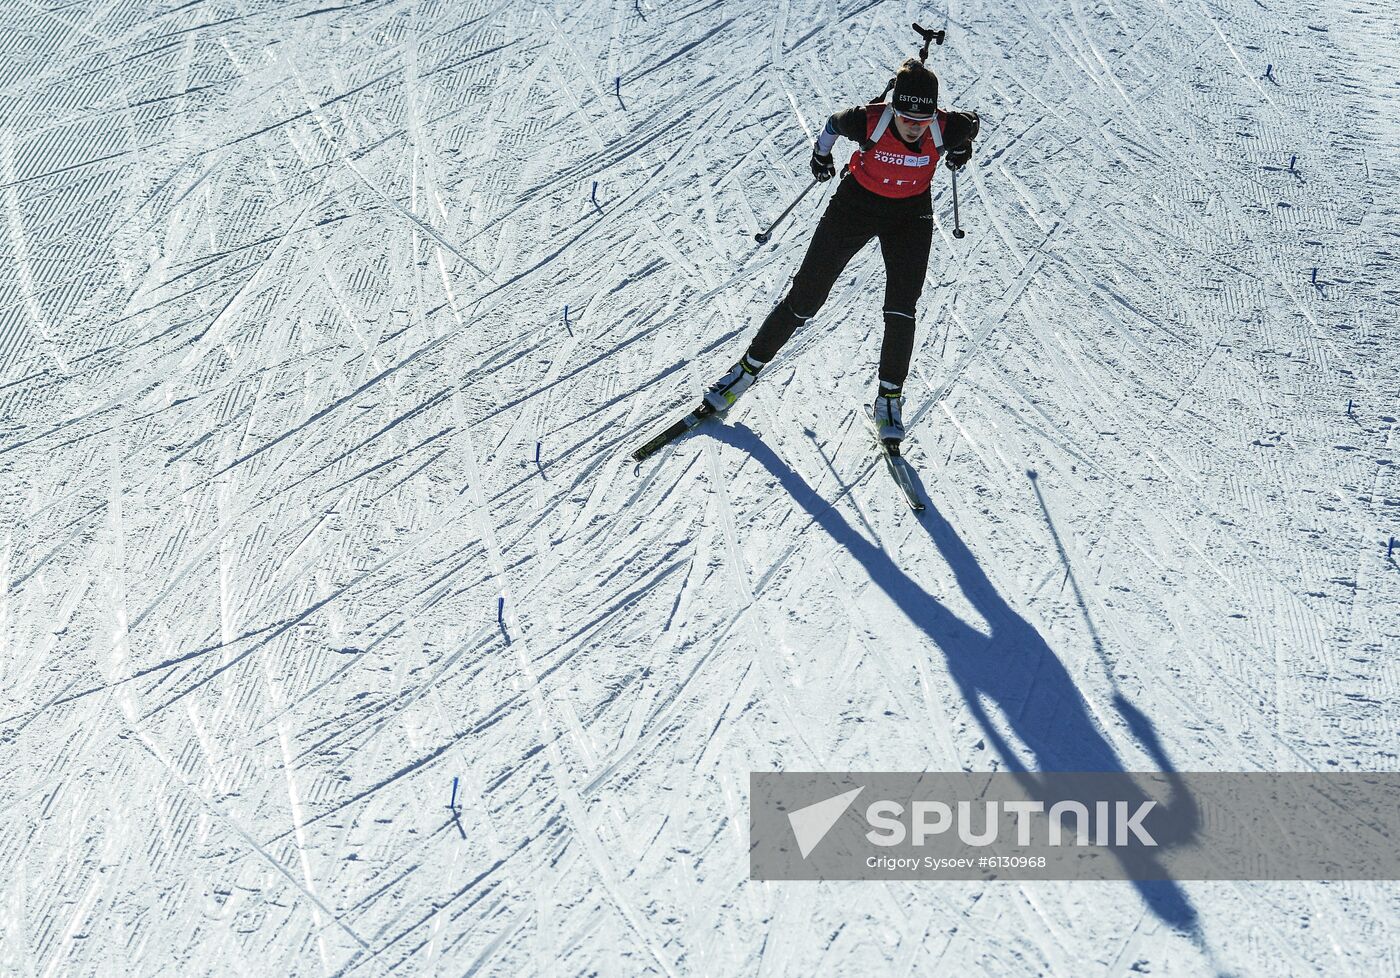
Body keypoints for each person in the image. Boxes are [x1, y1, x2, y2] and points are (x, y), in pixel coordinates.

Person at [703, 58, 979, 447]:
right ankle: (745, 371)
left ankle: (888, 399)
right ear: (893, 109)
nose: (915, 126)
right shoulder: (868, 120)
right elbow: (832, 125)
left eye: (923, 119)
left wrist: (962, 148)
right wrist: (821, 156)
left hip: (910, 215)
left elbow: (972, 124)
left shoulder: (946, 126)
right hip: (855, 206)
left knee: (902, 308)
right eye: (905, 117)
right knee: (806, 296)